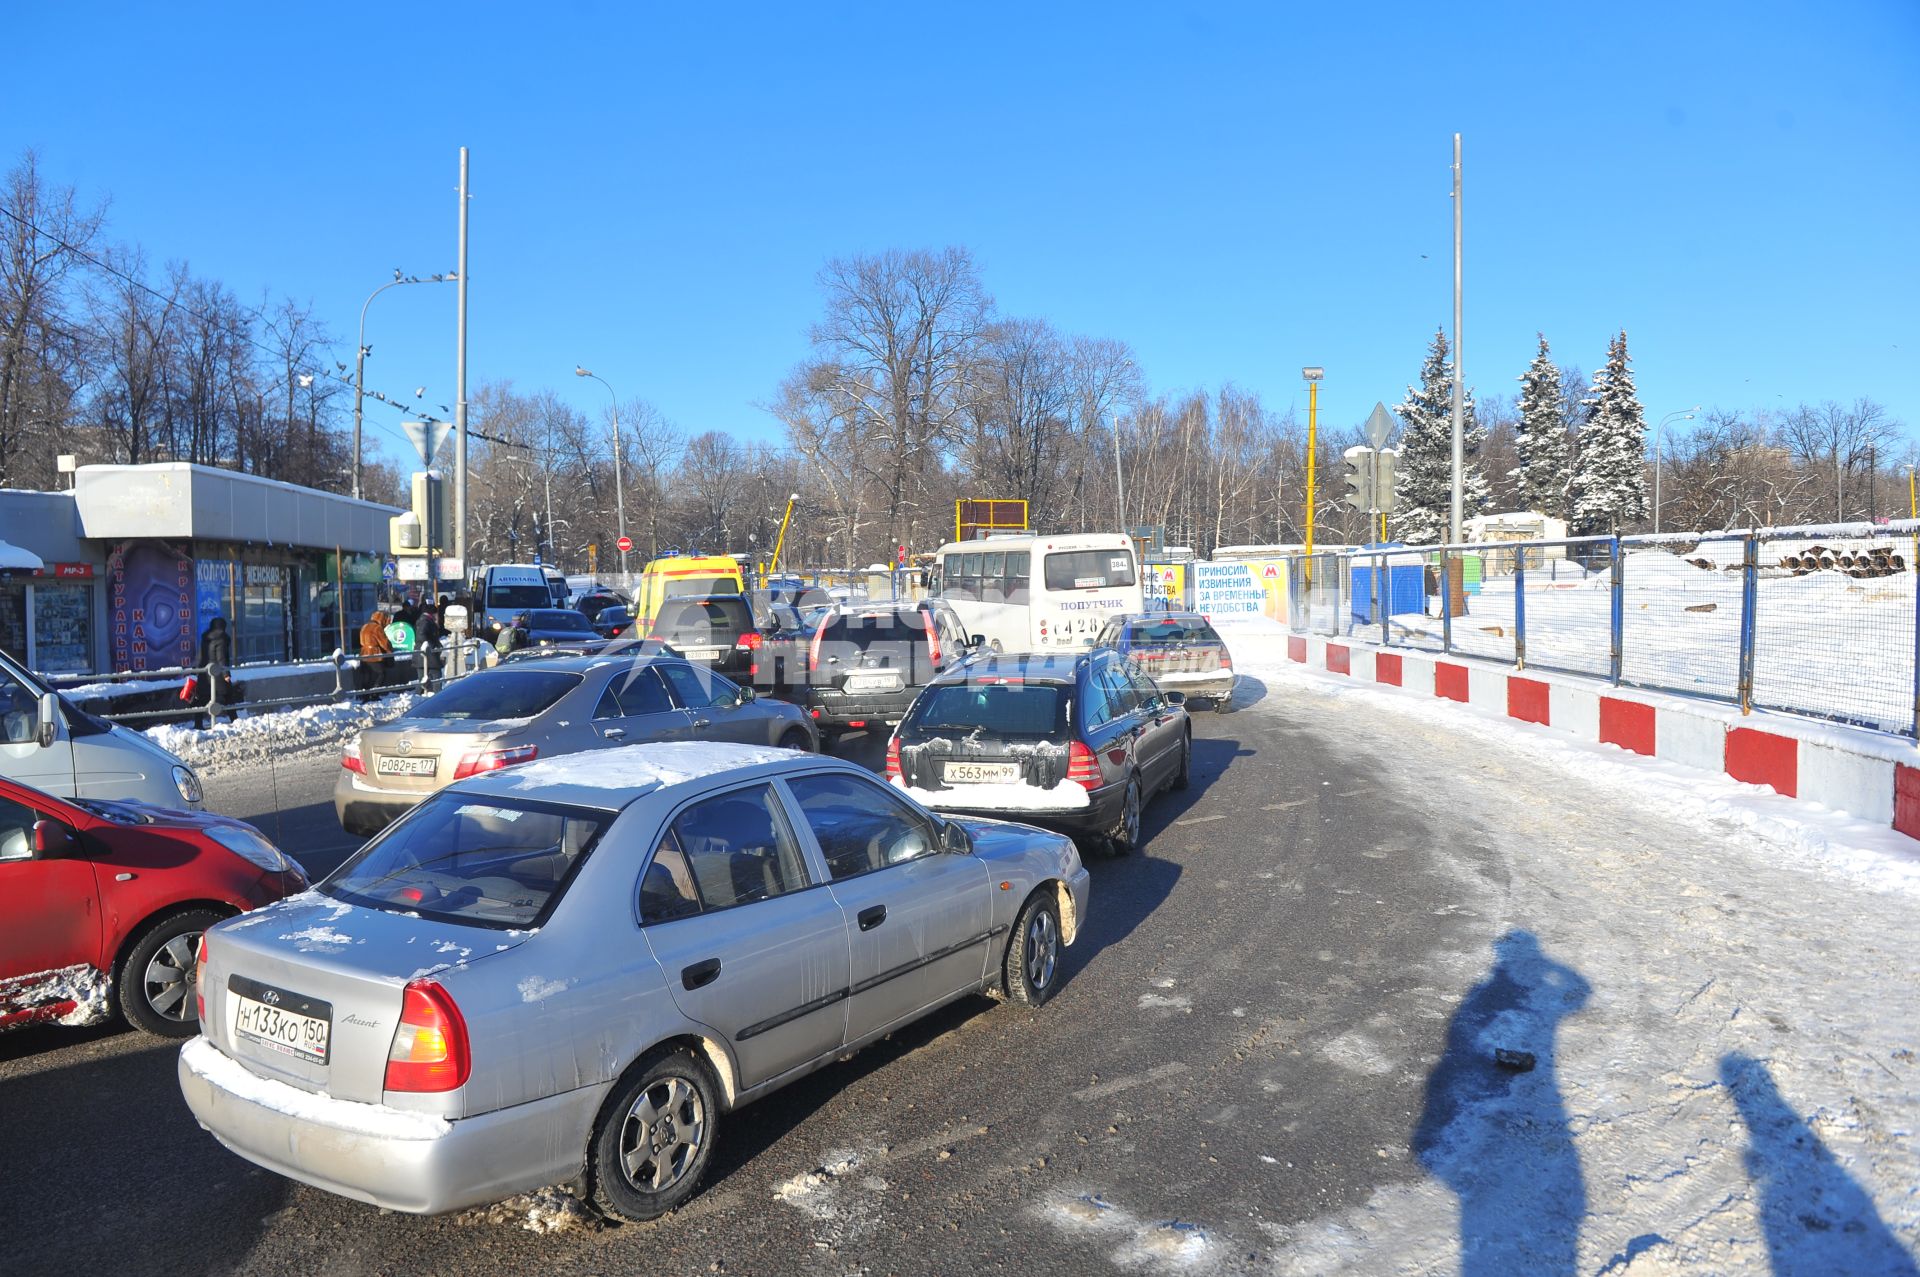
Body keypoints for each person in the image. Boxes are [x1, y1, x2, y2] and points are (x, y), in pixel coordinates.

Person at [193, 616, 241, 723]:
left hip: (205, 674)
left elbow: (200, 656)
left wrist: (197, 670)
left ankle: (198, 723)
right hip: (217, 674)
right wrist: (226, 674)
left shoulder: (206, 638)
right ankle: (235, 720)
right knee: (228, 696)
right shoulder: (221, 638)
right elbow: (221, 658)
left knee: (202, 699)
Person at [358, 609, 392, 696]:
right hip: (374, 654)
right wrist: (390, 650)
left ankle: (364, 695)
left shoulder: (365, 626)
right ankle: (374, 694)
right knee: (381, 673)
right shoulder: (377, 628)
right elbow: (384, 643)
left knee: (366, 675)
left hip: (363, 653)